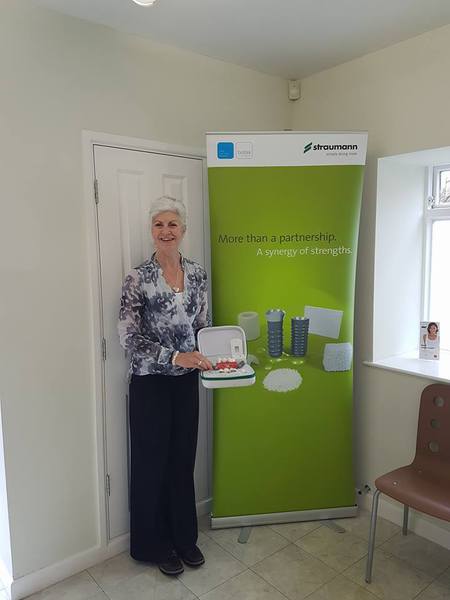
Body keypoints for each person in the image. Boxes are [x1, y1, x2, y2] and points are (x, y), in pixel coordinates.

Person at [118, 196, 212, 576]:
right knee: (151, 464)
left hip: (186, 384)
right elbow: (128, 338)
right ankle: (154, 545)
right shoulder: (137, 278)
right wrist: (175, 357)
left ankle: (183, 539)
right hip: (150, 384)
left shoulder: (198, 275)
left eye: (172, 224)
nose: (166, 231)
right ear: (151, 231)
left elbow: (203, 326)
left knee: (181, 461)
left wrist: (215, 356)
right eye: (159, 224)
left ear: (183, 230)